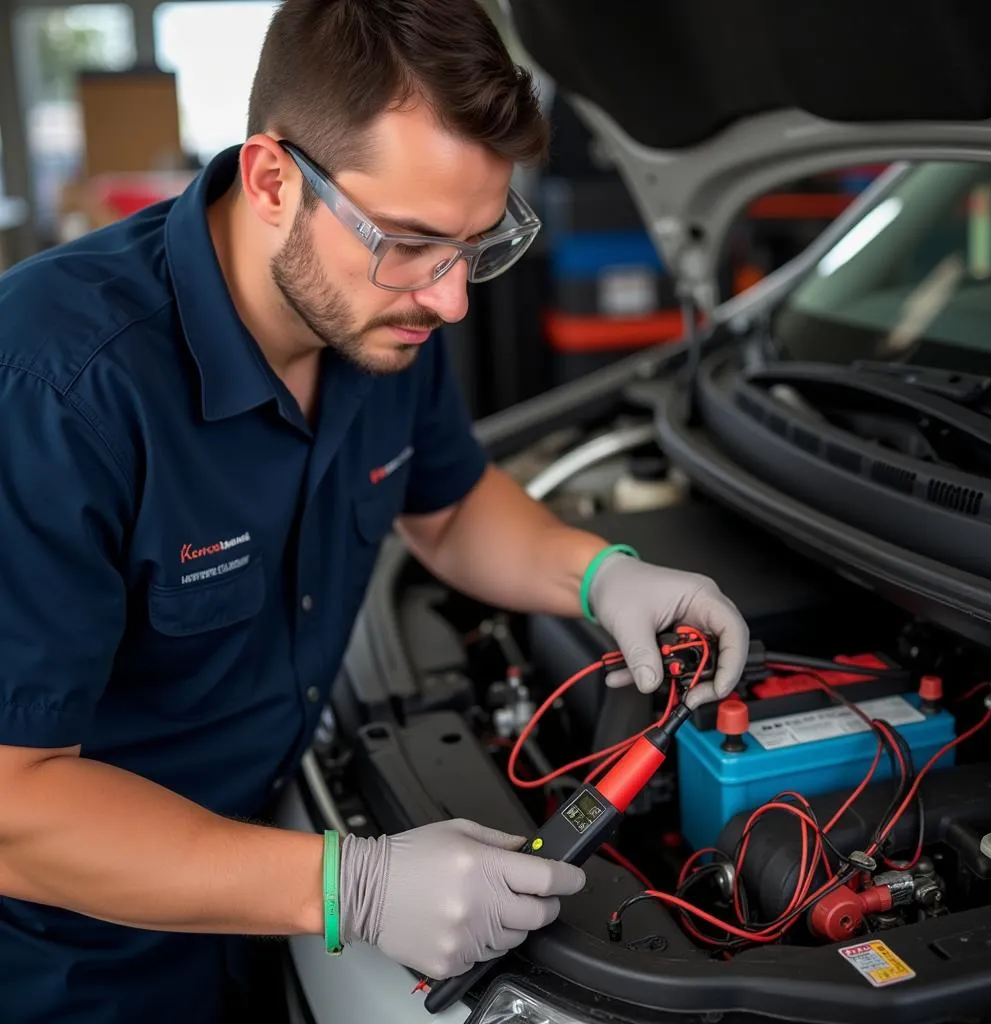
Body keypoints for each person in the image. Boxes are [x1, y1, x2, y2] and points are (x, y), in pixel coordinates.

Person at [0, 1, 750, 1021]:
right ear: (272, 180)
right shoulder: (56, 387)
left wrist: (598, 573)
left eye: (480, 245)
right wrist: (346, 887)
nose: (450, 302)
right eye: (413, 243)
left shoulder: (379, 318)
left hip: (266, 897)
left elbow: (443, 507)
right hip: (77, 967)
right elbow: (14, 803)